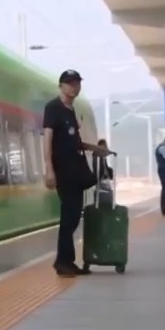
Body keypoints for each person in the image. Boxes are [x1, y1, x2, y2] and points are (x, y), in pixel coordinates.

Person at [43, 69, 115, 278]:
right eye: (70, 83)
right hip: (63, 171)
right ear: (61, 86)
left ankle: (68, 261)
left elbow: (73, 142)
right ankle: (62, 262)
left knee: (74, 216)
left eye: (77, 83)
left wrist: (95, 148)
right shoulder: (53, 108)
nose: (74, 87)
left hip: (75, 170)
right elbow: (48, 139)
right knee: (69, 217)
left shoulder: (70, 111)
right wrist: (49, 168)